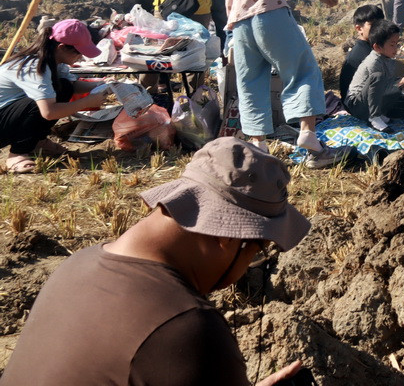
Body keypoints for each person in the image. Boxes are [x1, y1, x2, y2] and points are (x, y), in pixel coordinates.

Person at [2, 137, 311, 385]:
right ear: (229, 236)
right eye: (258, 251)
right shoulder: (186, 328)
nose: (252, 264)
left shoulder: (76, 265)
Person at [213, 0, 339, 166]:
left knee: (250, 82)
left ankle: (258, 145)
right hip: (270, 13)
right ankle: (308, 133)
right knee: (302, 69)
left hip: (239, 22)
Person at [0, 20, 108, 173]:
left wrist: (105, 85)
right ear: (62, 47)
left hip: (7, 115)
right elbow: (49, 112)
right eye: (78, 52)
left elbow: (72, 86)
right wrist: (87, 102)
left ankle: (37, 142)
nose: (81, 57)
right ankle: (17, 154)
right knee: (37, 104)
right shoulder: (36, 66)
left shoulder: (56, 61)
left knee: (63, 86)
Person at [344, 21, 404, 122]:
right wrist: (401, 81)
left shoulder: (388, 58)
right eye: (392, 45)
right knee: (380, 78)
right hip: (357, 105)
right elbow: (378, 89)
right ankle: (374, 117)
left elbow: (389, 83)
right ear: (377, 47)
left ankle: (378, 114)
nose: (396, 48)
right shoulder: (373, 62)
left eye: (397, 44)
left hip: (370, 101)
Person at [340, 4, 384, 99]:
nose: (379, 29)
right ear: (359, 29)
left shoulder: (371, 48)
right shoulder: (363, 54)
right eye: (373, 25)